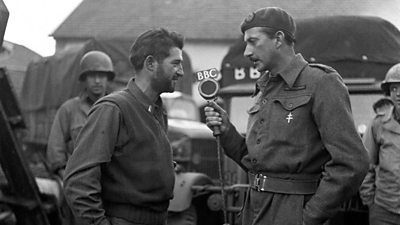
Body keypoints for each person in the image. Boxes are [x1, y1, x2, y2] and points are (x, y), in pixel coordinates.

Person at [204, 7, 369, 225]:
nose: (246, 52)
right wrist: (227, 132)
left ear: (279, 39)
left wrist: (310, 216)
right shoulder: (265, 87)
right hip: (254, 209)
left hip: (293, 211)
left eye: (253, 41)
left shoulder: (321, 83)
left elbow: (352, 162)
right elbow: (256, 162)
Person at [63, 28, 184, 225]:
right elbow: (79, 182)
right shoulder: (113, 109)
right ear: (150, 64)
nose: (181, 71)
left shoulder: (157, 110)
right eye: (176, 63)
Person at [46, 50, 115, 225]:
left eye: (102, 75)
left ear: (108, 79)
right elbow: (56, 148)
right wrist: (67, 179)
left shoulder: (117, 108)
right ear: (84, 79)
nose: (98, 81)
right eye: (92, 76)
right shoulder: (69, 109)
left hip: (112, 184)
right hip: (79, 187)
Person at [359, 63, 400, 225]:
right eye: (394, 89)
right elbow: (366, 164)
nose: (398, 94)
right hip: (384, 209)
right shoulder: (378, 124)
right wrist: (371, 202)